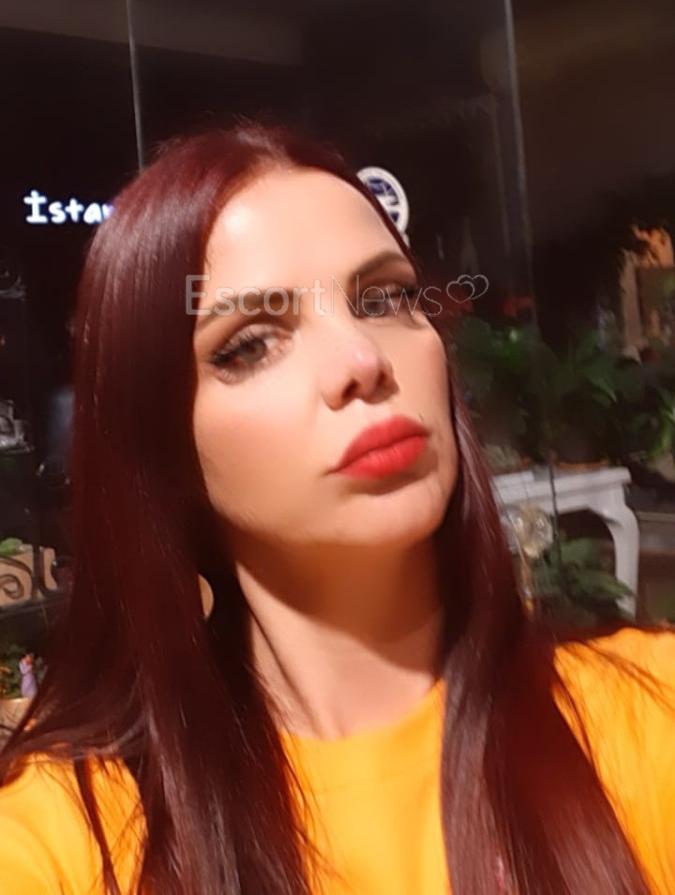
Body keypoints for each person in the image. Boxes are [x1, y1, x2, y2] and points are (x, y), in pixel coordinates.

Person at [0, 119, 673, 895]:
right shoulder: (73, 835)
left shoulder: (646, 712)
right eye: (251, 343)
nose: (362, 361)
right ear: (164, 451)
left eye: (383, 299)